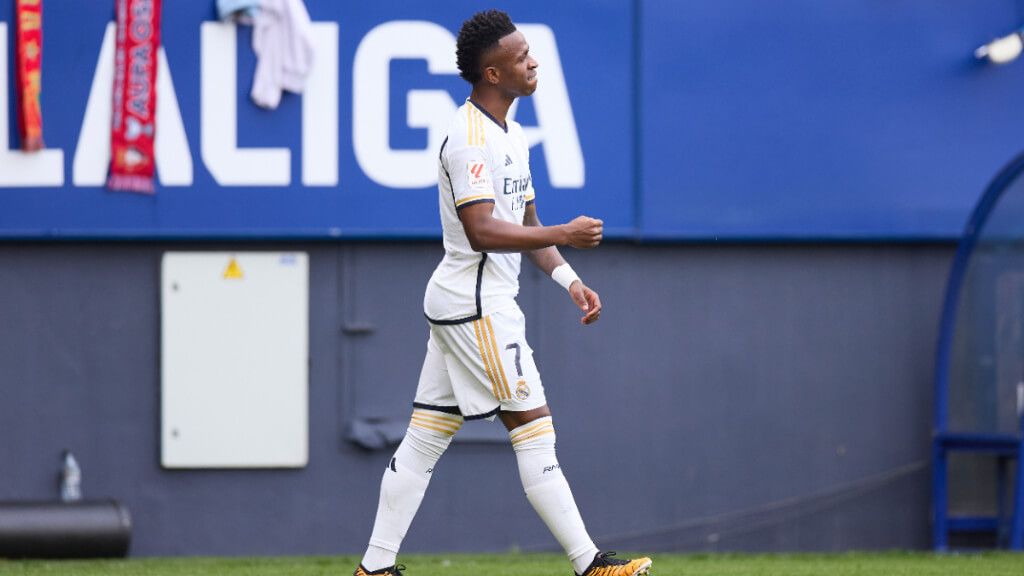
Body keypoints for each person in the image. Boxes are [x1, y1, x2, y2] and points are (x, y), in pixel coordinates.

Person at [354, 10, 652, 576]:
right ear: (492, 74)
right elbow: (484, 230)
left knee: (424, 440)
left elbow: (526, 220)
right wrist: (564, 232)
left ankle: (374, 568)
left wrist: (569, 279)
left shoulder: (510, 133)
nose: (533, 62)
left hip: (467, 304)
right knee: (535, 431)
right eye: (520, 57)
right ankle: (590, 564)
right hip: (477, 308)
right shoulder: (467, 137)